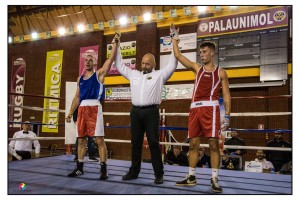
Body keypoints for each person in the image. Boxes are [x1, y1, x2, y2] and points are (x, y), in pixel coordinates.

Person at [171, 24, 231, 193]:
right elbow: (177, 55)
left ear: (212, 52)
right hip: (195, 110)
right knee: (193, 145)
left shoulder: (221, 72)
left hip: (211, 110)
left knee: (213, 145)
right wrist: (174, 37)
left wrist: (227, 116)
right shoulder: (197, 69)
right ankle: (191, 176)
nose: (201, 55)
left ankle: (214, 178)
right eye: (200, 52)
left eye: (204, 52)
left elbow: (226, 95)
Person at [114, 37, 178, 184]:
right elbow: (119, 65)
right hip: (135, 112)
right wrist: (117, 46)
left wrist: (175, 39)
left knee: (154, 143)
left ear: (154, 64)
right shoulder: (134, 74)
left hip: (151, 112)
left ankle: (159, 174)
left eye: (148, 63)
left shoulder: (160, 75)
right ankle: (134, 172)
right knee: (135, 143)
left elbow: (173, 64)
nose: (144, 65)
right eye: (143, 63)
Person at [65, 32, 120, 179]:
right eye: (86, 60)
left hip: (95, 108)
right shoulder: (80, 79)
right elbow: (77, 97)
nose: (88, 62)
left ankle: (103, 170)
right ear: (84, 62)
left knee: (99, 140)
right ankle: (79, 168)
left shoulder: (99, 74)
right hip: (82, 108)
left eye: (90, 60)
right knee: (81, 140)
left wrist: (115, 42)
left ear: (94, 62)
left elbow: (111, 58)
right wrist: (70, 112)